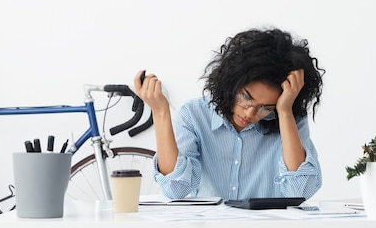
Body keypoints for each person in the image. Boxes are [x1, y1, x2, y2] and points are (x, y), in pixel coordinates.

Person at [135, 27, 325, 200]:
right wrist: (160, 113)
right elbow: (175, 190)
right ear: (232, 83)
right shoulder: (193, 115)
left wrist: (284, 111)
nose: (250, 113)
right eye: (245, 96)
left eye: (266, 107)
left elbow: (299, 192)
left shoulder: (289, 119)